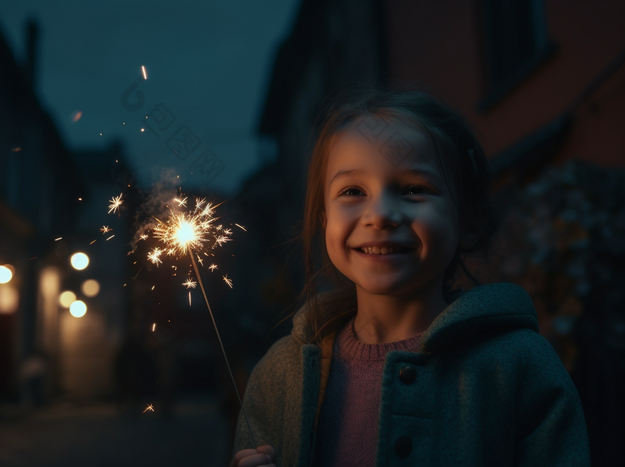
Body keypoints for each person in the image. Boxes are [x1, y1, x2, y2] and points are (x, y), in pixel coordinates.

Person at [230, 87, 591, 467]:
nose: (381, 214)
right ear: (324, 222)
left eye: (414, 189)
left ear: (468, 221)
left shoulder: (520, 367)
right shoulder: (277, 375)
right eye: (352, 191)